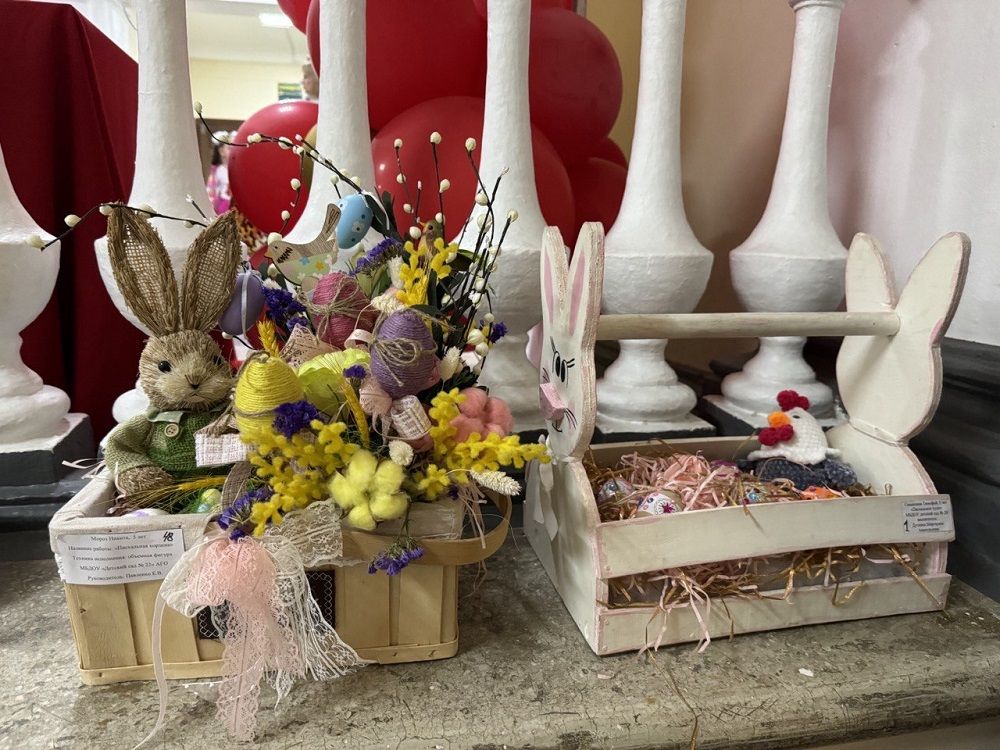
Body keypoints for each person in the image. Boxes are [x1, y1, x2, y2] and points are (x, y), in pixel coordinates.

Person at [207, 131, 234, 214]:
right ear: (221, 151)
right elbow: (211, 191)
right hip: (223, 206)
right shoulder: (217, 171)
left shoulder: (237, 170)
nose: (233, 151)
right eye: (229, 148)